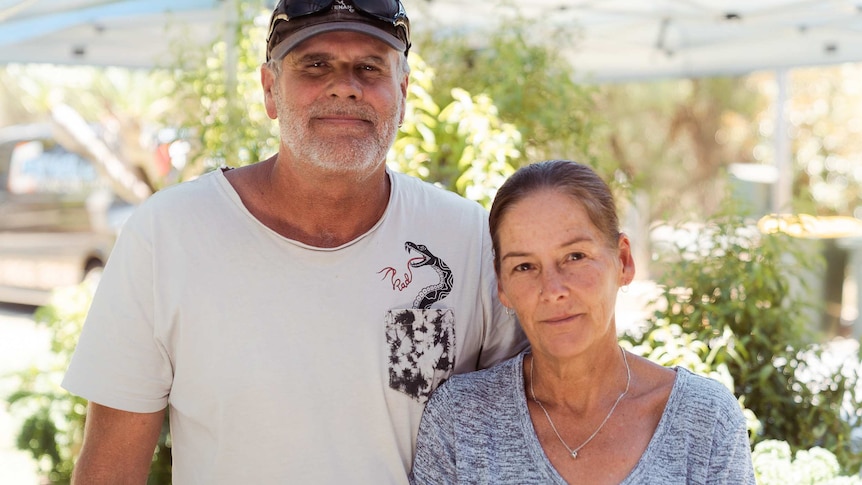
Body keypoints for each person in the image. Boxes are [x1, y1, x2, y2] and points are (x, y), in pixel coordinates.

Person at [61, 1, 527, 483]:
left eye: (370, 67)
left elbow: (537, 419)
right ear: (269, 90)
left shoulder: (467, 238)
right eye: (315, 65)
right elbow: (109, 469)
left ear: (403, 93)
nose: (345, 85)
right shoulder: (170, 234)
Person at [410, 160, 756, 484]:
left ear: (623, 261)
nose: (553, 289)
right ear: (502, 286)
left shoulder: (705, 420)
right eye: (525, 266)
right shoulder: (461, 420)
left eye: (575, 257)